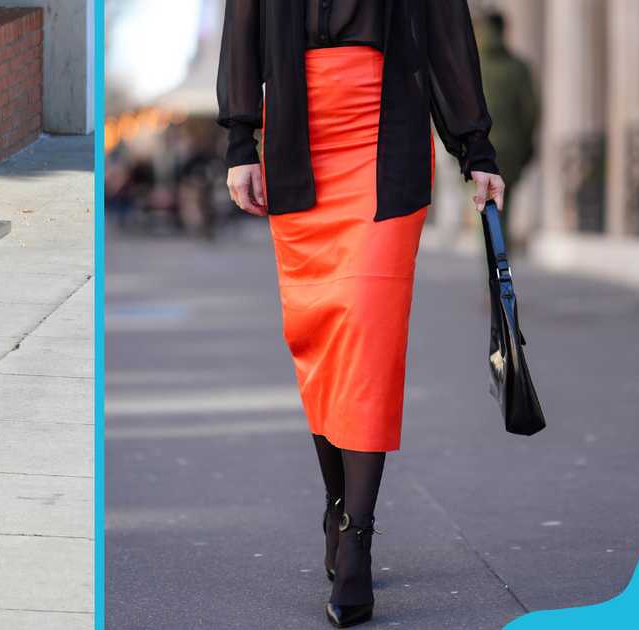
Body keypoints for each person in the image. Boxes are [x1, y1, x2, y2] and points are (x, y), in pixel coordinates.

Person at [217, 1, 504, 627]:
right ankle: (337, 504)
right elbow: (244, 24)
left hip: (386, 141)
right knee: (317, 337)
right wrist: (241, 141)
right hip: (297, 138)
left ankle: (358, 540)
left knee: (369, 339)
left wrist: (475, 148)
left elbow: (445, 28)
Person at [476, 10, 539, 244]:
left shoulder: (474, 66)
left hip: (481, 151)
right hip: (511, 151)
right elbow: (531, 111)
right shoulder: (518, 68)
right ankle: (501, 253)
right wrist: (525, 146)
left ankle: (493, 256)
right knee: (504, 204)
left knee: (486, 205)